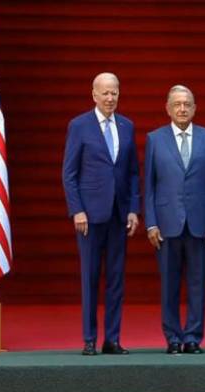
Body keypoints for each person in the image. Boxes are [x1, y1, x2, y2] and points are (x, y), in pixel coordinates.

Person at [62, 72, 140, 356]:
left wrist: (133, 209)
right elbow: (69, 174)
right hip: (90, 217)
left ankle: (113, 339)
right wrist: (77, 210)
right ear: (94, 94)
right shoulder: (79, 126)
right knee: (91, 277)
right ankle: (89, 339)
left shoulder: (127, 126)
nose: (110, 98)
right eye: (105, 93)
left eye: (114, 93)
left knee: (117, 280)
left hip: (119, 214)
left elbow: (132, 173)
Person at [144, 85, 205, 354]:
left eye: (187, 104)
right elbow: (150, 186)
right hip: (166, 224)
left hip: (200, 223)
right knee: (169, 284)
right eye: (177, 104)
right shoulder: (155, 139)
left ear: (195, 108)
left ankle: (192, 337)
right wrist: (151, 223)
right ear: (167, 108)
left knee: (198, 284)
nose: (182, 108)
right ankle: (173, 338)